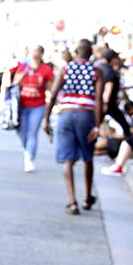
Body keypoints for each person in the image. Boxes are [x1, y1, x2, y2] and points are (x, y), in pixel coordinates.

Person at [43, 37, 97, 214]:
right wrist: (97, 126)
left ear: (76, 52)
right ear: (90, 53)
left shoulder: (66, 69)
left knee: (68, 159)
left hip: (66, 114)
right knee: (87, 157)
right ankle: (87, 197)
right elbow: (100, 100)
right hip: (86, 115)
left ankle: (72, 200)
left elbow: (53, 95)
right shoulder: (96, 70)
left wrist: (46, 120)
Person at [12, 45, 54, 171]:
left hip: (38, 105)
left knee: (32, 132)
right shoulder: (24, 66)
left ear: (41, 54)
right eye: (33, 51)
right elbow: (15, 82)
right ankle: (27, 149)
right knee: (21, 130)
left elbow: (51, 88)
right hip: (22, 104)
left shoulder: (46, 69)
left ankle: (30, 157)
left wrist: (52, 103)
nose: (35, 53)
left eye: (37, 51)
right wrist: (24, 73)